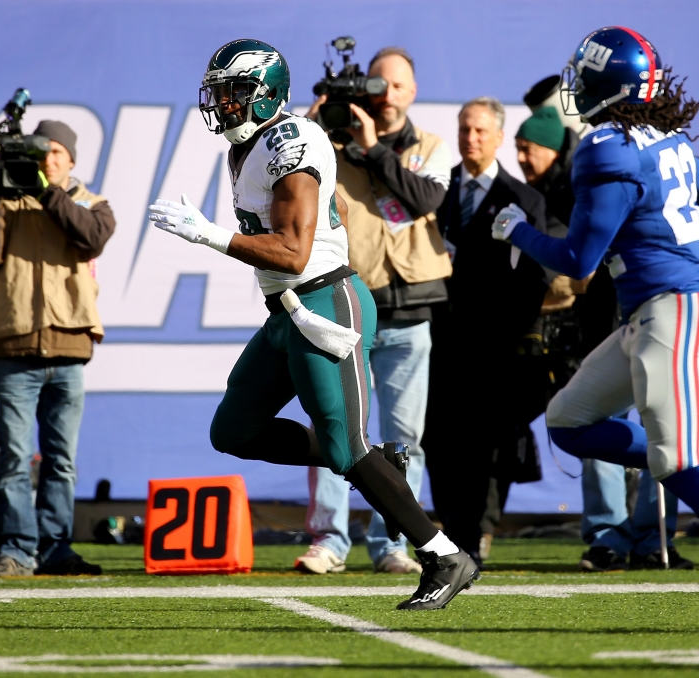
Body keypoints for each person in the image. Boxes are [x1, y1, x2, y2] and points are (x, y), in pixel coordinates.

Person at [492, 26, 699, 630]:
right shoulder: (665, 140)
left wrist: (515, 229)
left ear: (603, 84)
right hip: (656, 312)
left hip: (676, 309)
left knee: (675, 466)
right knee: (569, 422)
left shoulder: (603, 148)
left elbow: (578, 262)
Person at [147, 39, 477, 610]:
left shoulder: (286, 140)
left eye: (234, 94)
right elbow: (339, 212)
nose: (223, 104)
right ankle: (370, 459)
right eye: (220, 94)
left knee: (346, 449)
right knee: (234, 431)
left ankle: (443, 554)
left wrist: (209, 235)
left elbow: (295, 252)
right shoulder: (253, 143)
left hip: (323, 303)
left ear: (264, 94)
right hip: (288, 310)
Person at [514, 104, 693, 571]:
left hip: (665, 315)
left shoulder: (679, 175)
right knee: (595, 422)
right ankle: (607, 534)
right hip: (608, 318)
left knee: (665, 424)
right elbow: (582, 255)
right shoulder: (604, 173)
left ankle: (655, 537)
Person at [294, 47, 451, 576]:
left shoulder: (430, 146)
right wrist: (312, 128)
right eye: (377, 85)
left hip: (409, 315)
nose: (386, 95)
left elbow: (425, 200)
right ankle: (330, 541)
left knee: (406, 439)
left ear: (411, 92)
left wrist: (375, 148)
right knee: (336, 427)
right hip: (346, 309)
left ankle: (393, 545)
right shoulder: (326, 146)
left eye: (397, 86)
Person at [0, 120, 114, 577]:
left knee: (60, 461)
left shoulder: (93, 203)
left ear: (70, 160)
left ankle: (54, 549)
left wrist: (49, 192)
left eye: (56, 153)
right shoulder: (5, 200)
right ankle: (15, 550)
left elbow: (90, 236)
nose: (48, 160)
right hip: (11, 346)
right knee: (13, 458)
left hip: (68, 349)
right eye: (40, 153)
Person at [423, 96, 548, 562]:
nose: (470, 139)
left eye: (480, 131)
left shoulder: (525, 200)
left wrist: (514, 334)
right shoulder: (436, 192)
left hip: (495, 346)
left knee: (484, 446)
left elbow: (534, 278)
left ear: (499, 137)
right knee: (435, 439)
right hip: (436, 339)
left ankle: (473, 536)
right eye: (464, 130)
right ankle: (449, 533)